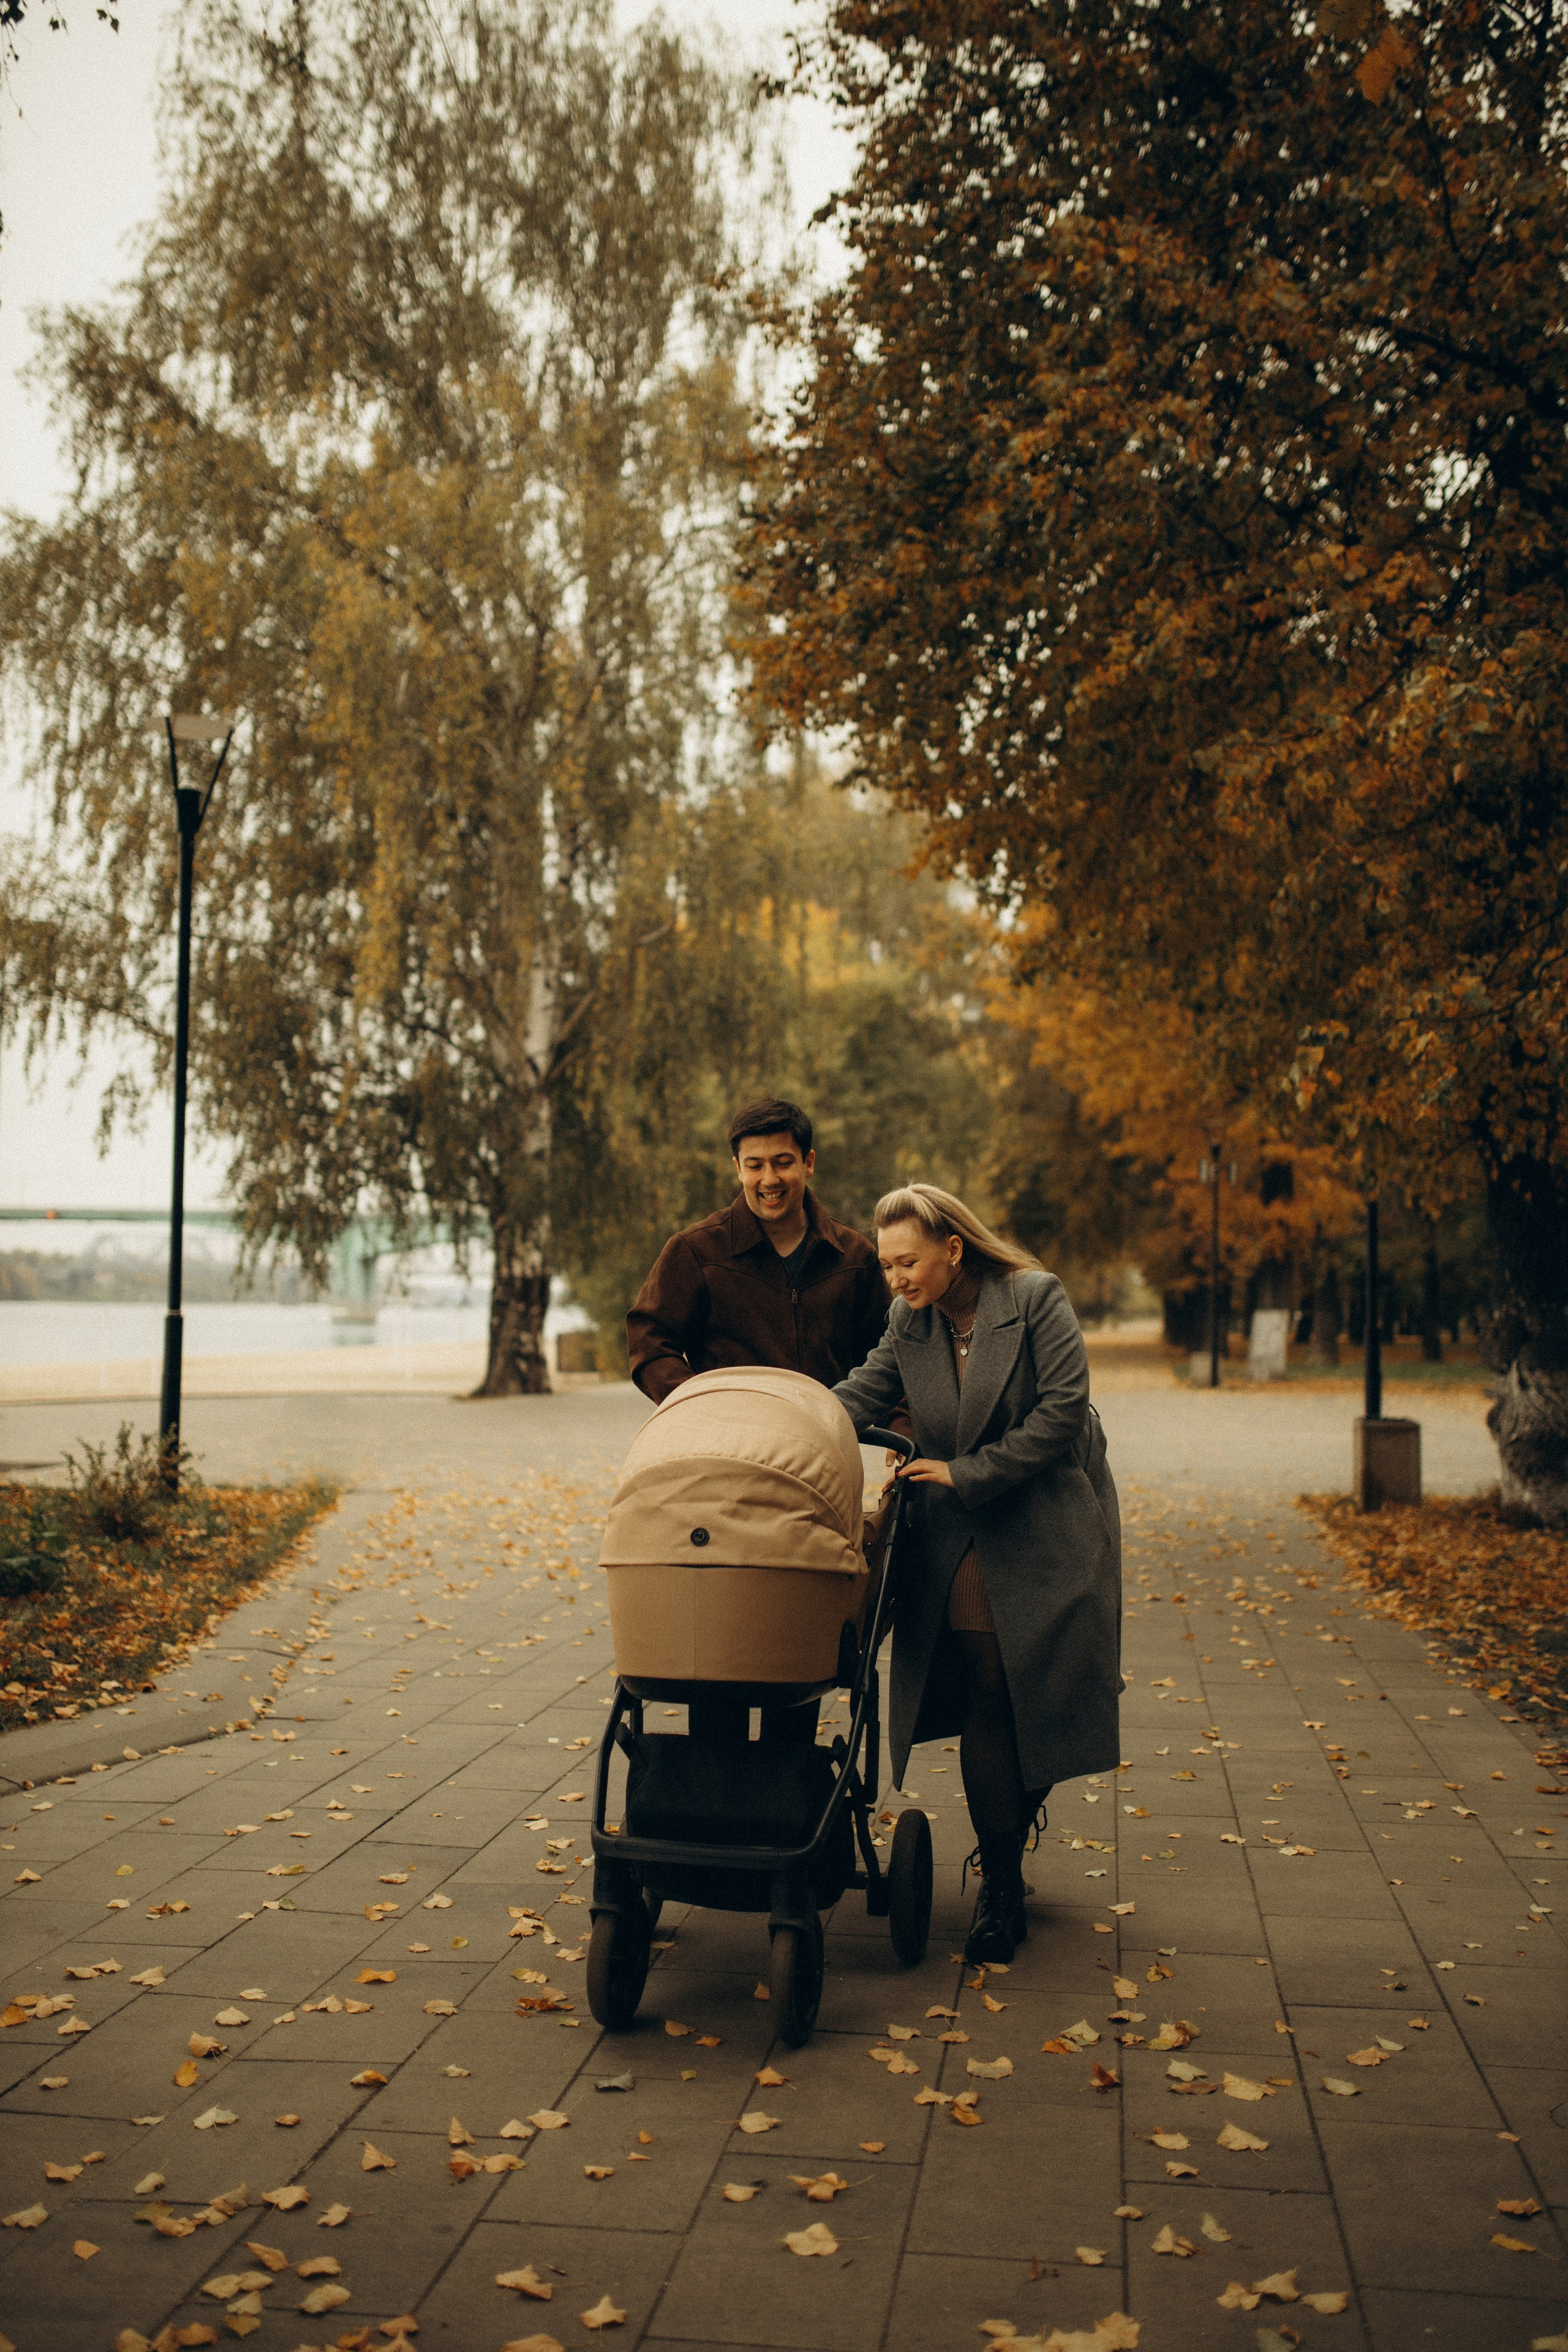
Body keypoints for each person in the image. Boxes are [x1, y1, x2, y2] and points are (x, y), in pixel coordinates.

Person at [832, 1182, 1121, 1963]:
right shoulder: (910, 1320)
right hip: (962, 1533)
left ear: (953, 1250)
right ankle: (999, 1887)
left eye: (908, 1262)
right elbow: (861, 1392)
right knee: (990, 1685)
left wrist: (967, 1472)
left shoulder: (1034, 1298)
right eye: (886, 1265)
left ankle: (1007, 1832)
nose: (895, 1278)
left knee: (1047, 1695)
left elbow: (1062, 1412)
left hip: (1050, 1519)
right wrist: (781, 1420)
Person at [626, 1096, 889, 1402]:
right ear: (739, 1169)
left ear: (808, 1163)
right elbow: (649, 1343)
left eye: (783, 1163)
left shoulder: (855, 1257)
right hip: (731, 1432)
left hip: (828, 1430)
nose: (769, 1179)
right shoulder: (695, 1252)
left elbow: (890, 1361)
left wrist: (897, 1425)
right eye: (755, 1166)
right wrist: (704, 1405)